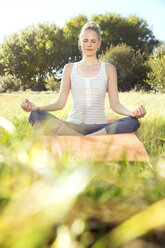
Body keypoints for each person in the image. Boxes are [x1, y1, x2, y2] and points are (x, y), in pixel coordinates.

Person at [21, 22, 146, 136]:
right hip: (72, 126)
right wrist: (36, 108)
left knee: (133, 122)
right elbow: (60, 104)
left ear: (99, 43)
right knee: (35, 116)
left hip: (100, 127)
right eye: (85, 40)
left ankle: (88, 138)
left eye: (93, 41)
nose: (89, 44)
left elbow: (115, 105)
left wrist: (132, 113)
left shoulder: (109, 69)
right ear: (80, 42)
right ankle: (80, 137)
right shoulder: (69, 68)